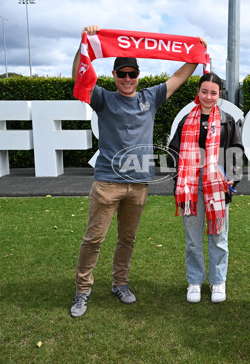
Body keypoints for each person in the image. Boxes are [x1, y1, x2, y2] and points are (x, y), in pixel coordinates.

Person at [70, 25, 207, 318]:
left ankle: (120, 283)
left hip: (139, 184)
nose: (128, 79)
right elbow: (77, 78)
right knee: (94, 239)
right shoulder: (104, 99)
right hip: (107, 182)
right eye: (122, 74)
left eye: (132, 74)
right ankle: (82, 291)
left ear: (138, 76)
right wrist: (83, 46)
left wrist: (195, 55)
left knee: (127, 239)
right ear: (115, 77)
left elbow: (178, 78)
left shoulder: (151, 97)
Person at [168, 72, 243, 304]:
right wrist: (180, 177)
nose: (208, 97)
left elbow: (236, 151)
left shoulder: (228, 120)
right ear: (198, 92)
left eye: (213, 92)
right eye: (204, 91)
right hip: (191, 186)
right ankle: (195, 281)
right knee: (192, 238)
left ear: (220, 94)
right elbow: (173, 152)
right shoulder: (186, 119)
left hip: (217, 185)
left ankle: (218, 282)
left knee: (219, 236)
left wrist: (232, 178)